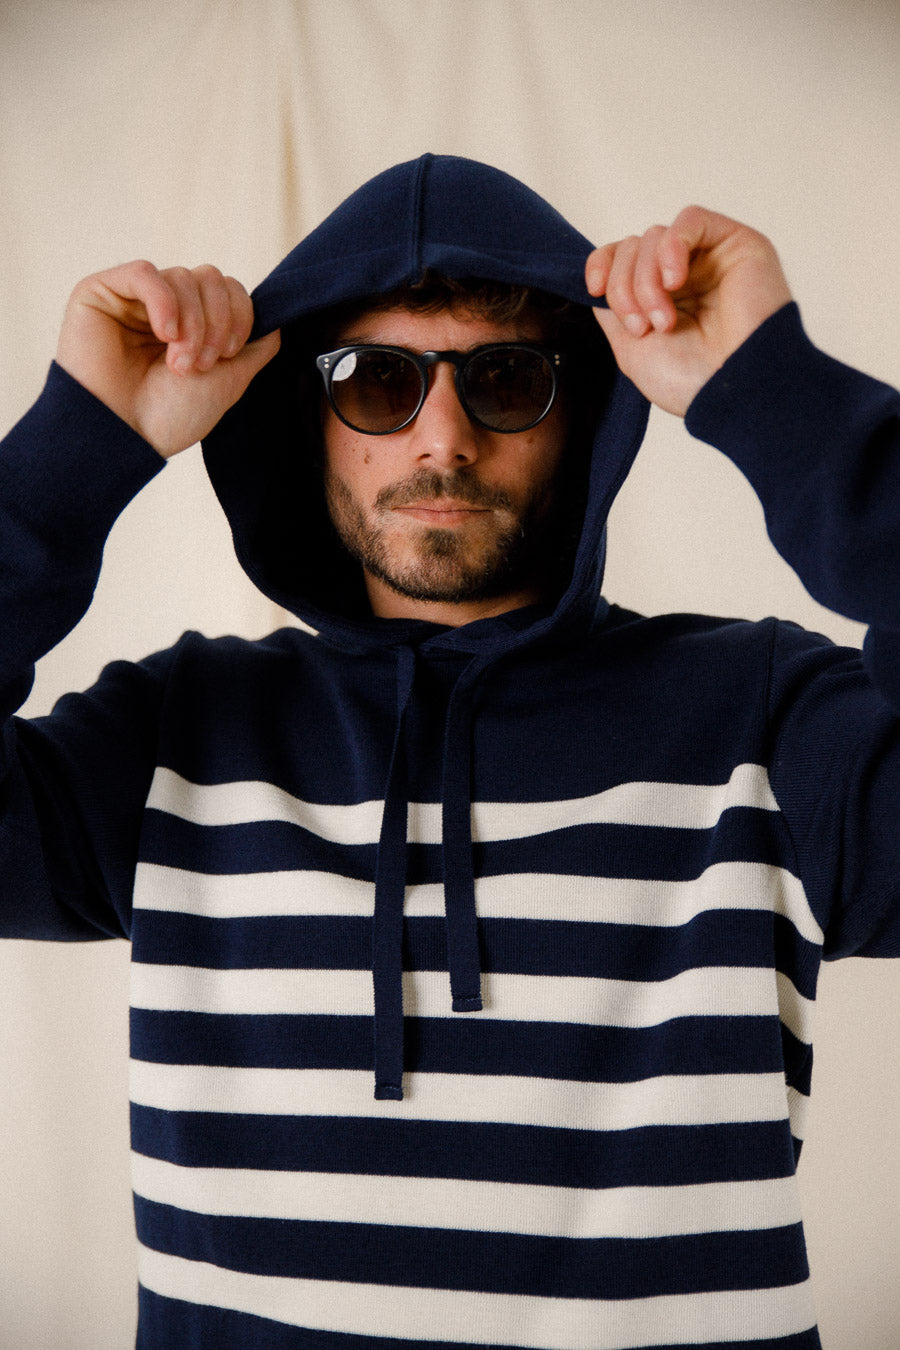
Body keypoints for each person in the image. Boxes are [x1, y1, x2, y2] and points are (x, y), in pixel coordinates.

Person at [1, 153, 898, 1350]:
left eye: (507, 379)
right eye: (375, 382)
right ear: (305, 420)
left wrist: (782, 399)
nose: (443, 439)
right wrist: (73, 451)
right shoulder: (176, 734)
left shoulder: (765, 721)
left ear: (583, 411)